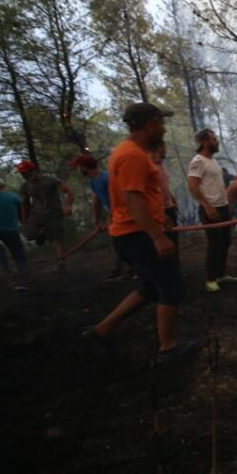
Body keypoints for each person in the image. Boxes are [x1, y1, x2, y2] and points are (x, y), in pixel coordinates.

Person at [83, 102, 200, 363]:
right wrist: (157, 236)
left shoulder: (130, 152)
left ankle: (101, 330)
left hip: (135, 232)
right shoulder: (132, 156)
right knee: (171, 287)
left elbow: (141, 198)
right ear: (150, 125)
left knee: (151, 287)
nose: (164, 129)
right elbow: (132, 199)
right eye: (161, 123)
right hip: (136, 235)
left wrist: (159, 222)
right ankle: (168, 348)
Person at [187, 128, 237, 293]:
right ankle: (210, 279)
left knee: (225, 242)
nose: (217, 142)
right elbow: (193, 187)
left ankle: (221, 275)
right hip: (210, 209)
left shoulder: (213, 161)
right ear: (205, 142)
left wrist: (226, 204)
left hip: (222, 207)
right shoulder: (198, 161)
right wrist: (208, 207)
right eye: (214, 139)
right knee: (215, 244)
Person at [70, 153, 131, 279]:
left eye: (78, 167)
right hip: (116, 216)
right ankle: (122, 269)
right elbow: (97, 200)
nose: (77, 170)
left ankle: (131, 270)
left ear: (84, 167)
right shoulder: (94, 182)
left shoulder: (107, 178)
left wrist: (111, 217)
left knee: (124, 243)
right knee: (116, 243)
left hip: (125, 215)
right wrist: (97, 220)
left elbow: (117, 199)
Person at [17, 159, 74, 269]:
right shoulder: (25, 186)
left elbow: (68, 191)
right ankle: (42, 232)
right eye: (22, 173)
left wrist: (68, 206)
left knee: (58, 239)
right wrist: (24, 220)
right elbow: (25, 203)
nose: (25, 175)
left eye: (26, 172)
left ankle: (62, 262)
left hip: (54, 214)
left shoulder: (50, 180)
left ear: (33, 170)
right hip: (37, 214)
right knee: (28, 234)